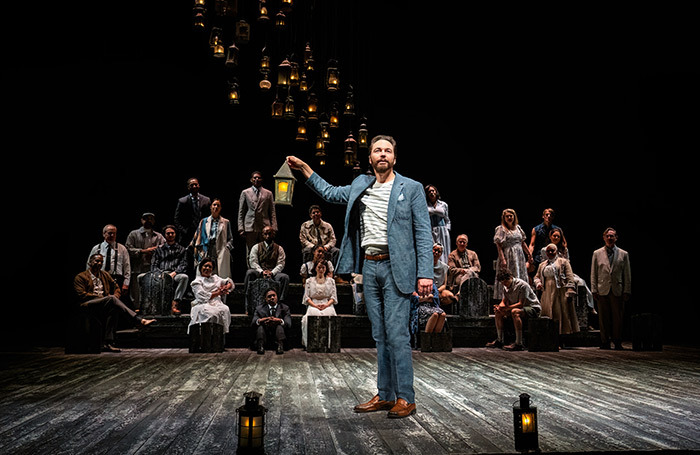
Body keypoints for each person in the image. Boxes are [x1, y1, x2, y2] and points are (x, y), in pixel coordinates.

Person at [287, 134, 433, 419]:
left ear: (394, 157)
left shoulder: (411, 188)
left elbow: (423, 234)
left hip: (397, 268)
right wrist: (305, 170)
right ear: (370, 158)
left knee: (398, 334)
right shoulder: (360, 185)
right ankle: (386, 394)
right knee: (380, 334)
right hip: (369, 266)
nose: (382, 154)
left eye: (387, 150)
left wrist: (425, 273)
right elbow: (329, 192)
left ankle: (406, 397)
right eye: (377, 150)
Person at [74, 253, 155, 352]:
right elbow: (82, 295)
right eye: (97, 261)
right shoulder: (81, 277)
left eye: (101, 262)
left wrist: (116, 296)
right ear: (90, 262)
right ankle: (138, 320)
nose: (99, 263)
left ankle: (108, 343)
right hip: (88, 303)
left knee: (114, 307)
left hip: (104, 302)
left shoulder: (104, 274)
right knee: (111, 300)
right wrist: (103, 297)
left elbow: (116, 286)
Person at [591, 227, 631, 350]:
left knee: (617, 317)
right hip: (602, 289)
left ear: (616, 238)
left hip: (617, 289)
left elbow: (627, 274)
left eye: (612, 236)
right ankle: (605, 341)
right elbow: (594, 273)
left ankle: (617, 341)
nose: (609, 238)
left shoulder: (623, 254)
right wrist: (594, 289)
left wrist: (626, 290)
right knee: (603, 318)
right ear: (604, 238)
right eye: (607, 236)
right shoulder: (597, 253)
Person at [486, 270, 541, 351]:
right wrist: (500, 307)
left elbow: (521, 304)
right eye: (503, 283)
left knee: (515, 311)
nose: (505, 284)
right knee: (498, 313)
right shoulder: (505, 287)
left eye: (506, 282)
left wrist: (507, 308)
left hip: (532, 308)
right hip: (517, 308)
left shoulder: (522, 285)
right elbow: (504, 300)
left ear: (511, 278)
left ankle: (519, 343)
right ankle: (499, 340)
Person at [534, 244, 579, 339]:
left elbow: (569, 276)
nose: (550, 253)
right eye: (548, 251)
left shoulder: (563, 262)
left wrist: (570, 289)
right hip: (547, 291)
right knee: (548, 312)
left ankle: (560, 337)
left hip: (560, 290)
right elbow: (537, 276)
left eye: (552, 251)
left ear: (556, 251)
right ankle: (550, 337)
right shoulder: (542, 264)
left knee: (560, 312)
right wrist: (538, 283)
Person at [125, 212, 166, 310]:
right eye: (146, 218)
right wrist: (143, 251)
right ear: (141, 220)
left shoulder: (158, 236)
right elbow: (128, 249)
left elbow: (165, 246)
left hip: (153, 267)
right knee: (136, 291)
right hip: (138, 266)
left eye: (151, 218)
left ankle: (152, 309)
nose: (148, 220)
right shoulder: (133, 234)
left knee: (152, 289)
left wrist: (155, 250)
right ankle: (137, 310)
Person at [238, 170, 277, 267]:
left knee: (264, 251)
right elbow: (241, 211)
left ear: (262, 179)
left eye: (259, 177)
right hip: (250, 226)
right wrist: (241, 228)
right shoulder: (245, 192)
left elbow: (272, 211)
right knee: (250, 252)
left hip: (264, 226)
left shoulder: (268, 193)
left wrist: (274, 227)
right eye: (255, 177)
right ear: (251, 180)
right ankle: (251, 273)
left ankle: (263, 272)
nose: (257, 179)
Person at [244, 226, 290, 305]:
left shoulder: (279, 248)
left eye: (269, 234)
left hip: (273, 272)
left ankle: (281, 302)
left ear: (273, 234)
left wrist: (272, 272)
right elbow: (253, 262)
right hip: (260, 272)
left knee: (284, 277)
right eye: (265, 234)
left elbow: (281, 263)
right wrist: (262, 272)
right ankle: (248, 301)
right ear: (262, 235)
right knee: (249, 273)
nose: (268, 236)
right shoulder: (256, 247)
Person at [493, 208, 533, 300]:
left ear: (514, 217)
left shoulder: (518, 228)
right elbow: (498, 246)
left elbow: (522, 242)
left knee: (519, 275)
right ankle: (506, 299)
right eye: (507, 216)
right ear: (504, 218)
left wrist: (529, 254)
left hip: (519, 256)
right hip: (508, 255)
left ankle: (520, 297)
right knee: (508, 276)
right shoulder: (501, 229)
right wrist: (502, 259)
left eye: (511, 216)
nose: (509, 218)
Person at [191, 198, 235, 280]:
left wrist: (227, 248)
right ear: (210, 207)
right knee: (206, 269)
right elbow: (198, 236)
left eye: (218, 205)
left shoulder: (226, 222)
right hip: (207, 248)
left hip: (220, 248)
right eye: (214, 205)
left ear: (220, 208)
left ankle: (221, 290)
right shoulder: (204, 221)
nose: (216, 207)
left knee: (220, 272)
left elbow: (230, 238)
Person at [151, 225, 190, 315]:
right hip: (161, 274)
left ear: (175, 234)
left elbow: (184, 264)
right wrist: (160, 274)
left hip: (175, 274)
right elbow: (154, 265)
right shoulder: (158, 250)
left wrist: (175, 272)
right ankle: (146, 304)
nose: (170, 235)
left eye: (172, 233)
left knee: (184, 277)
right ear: (164, 235)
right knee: (141, 277)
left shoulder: (181, 249)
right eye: (168, 233)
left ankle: (175, 303)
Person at [188, 258, 233, 335]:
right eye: (205, 266)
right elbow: (202, 296)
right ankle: (207, 336)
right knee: (212, 313)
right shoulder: (196, 282)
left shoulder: (215, 278)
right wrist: (218, 292)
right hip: (203, 303)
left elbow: (229, 282)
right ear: (201, 267)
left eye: (210, 267)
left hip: (217, 302)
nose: (207, 268)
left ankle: (219, 336)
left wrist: (227, 287)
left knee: (225, 309)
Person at [300, 259, 338, 349]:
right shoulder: (309, 281)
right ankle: (311, 343)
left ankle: (328, 344)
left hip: (327, 303)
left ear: (326, 269)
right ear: (315, 268)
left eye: (323, 268)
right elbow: (307, 297)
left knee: (330, 314)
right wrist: (315, 305)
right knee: (310, 316)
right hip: (314, 303)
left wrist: (326, 305)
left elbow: (333, 297)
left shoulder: (331, 281)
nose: (321, 269)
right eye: (319, 267)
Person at [88, 224, 131, 295]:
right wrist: (89, 281)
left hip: (116, 279)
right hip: (100, 278)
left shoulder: (122, 248)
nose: (112, 235)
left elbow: (127, 267)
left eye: (114, 233)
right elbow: (89, 265)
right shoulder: (97, 248)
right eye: (110, 233)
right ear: (104, 234)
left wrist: (126, 283)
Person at [251, 288, 292, 354]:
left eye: (274, 295)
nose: (272, 298)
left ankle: (280, 346)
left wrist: (279, 320)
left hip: (279, 334)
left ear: (277, 297)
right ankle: (260, 346)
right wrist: (262, 320)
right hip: (265, 334)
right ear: (266, 299)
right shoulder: (259, 308)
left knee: (279, 326)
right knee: (260, 327)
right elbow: (253, 322)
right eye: (269, 296)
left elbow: (288, 323)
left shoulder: (285, 308)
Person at [174, 177, 211, 247]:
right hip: (187, 236)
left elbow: (209, 217)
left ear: (199, 185)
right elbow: (176, 219)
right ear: (188, 187)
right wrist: (184, 231)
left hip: (203, 234)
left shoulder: (206, 200)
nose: (194, 186)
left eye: (196, 184)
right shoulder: (182, 201)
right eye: (192, 185)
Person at [446, 234, 481, 300]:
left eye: (464, 242)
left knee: (470, 273)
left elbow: (477, 267)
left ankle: (460, 293)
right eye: (460, 242)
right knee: (468, 276)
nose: (462, 243)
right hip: (459, 275)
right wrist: (462, 270)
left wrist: (469, 270)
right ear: (456, 243)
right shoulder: (452, 255)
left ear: (466, 244)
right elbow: (451, 269)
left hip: (472, 274)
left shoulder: (473, 254)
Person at [425, 184, 451, 264]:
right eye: (429, 191)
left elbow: (447, 219)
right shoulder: (425, 205)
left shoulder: (443, 204)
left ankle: (445, 270)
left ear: (436, 192)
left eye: (433, 191)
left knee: (444, 250)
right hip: (431, 230)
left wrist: (447, 229)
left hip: (442, 230)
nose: (431, 193)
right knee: (433, 250)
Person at [431, 243, 456, 308]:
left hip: (439, 290)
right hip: (427, 289)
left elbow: (444, 285)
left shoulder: (444, 266)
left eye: (439, 251)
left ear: (441, 254)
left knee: (449, 296)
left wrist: (437, 291)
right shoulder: (425, 264)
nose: (436, 253)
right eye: (435, 250)